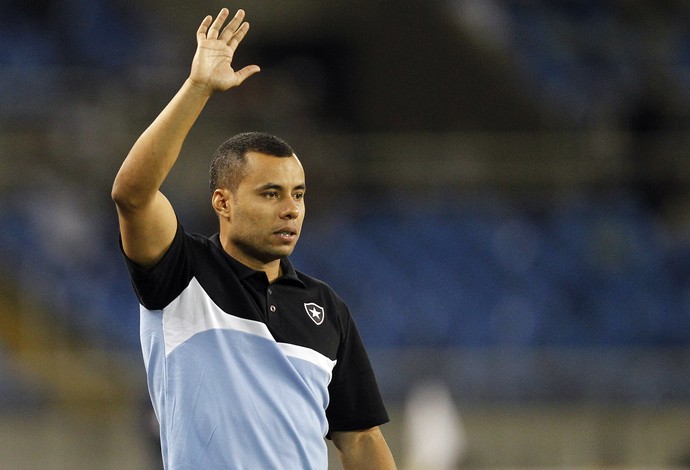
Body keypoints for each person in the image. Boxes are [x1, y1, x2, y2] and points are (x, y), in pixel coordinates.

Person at [111, 7, 396, 470]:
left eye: (298, 195)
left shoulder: (327, 309)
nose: (291, 209)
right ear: (223, 202)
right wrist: (197, 88)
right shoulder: (182, 273)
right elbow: (132, 195)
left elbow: (360, 439)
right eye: (270, 193)